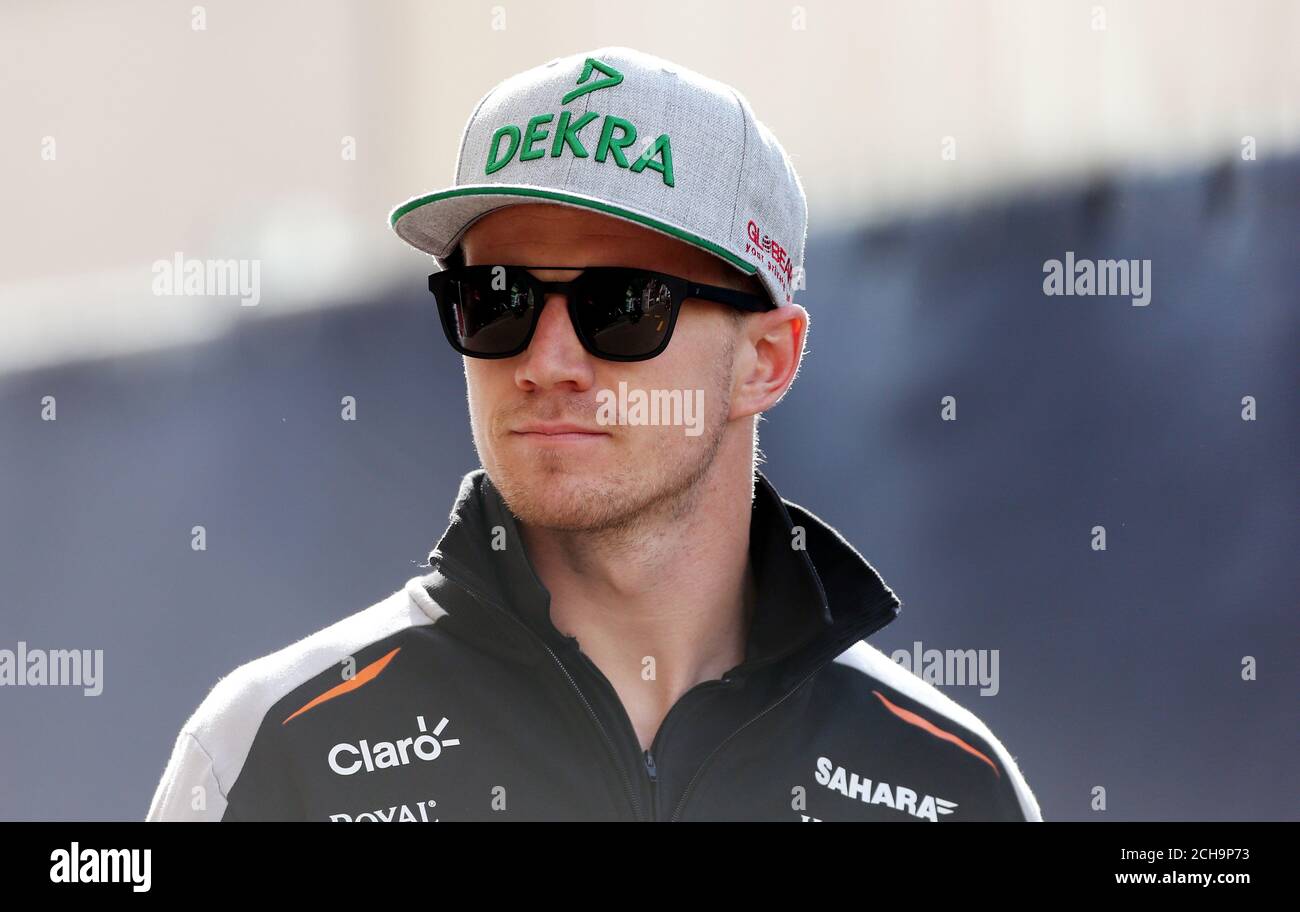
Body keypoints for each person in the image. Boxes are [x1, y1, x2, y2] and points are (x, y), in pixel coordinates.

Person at [147, 46, 1041, 822]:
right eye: (498, 300)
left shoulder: (951, 785)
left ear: (765, 359)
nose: (547, 359)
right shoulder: (274, 748)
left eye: (622, 305)